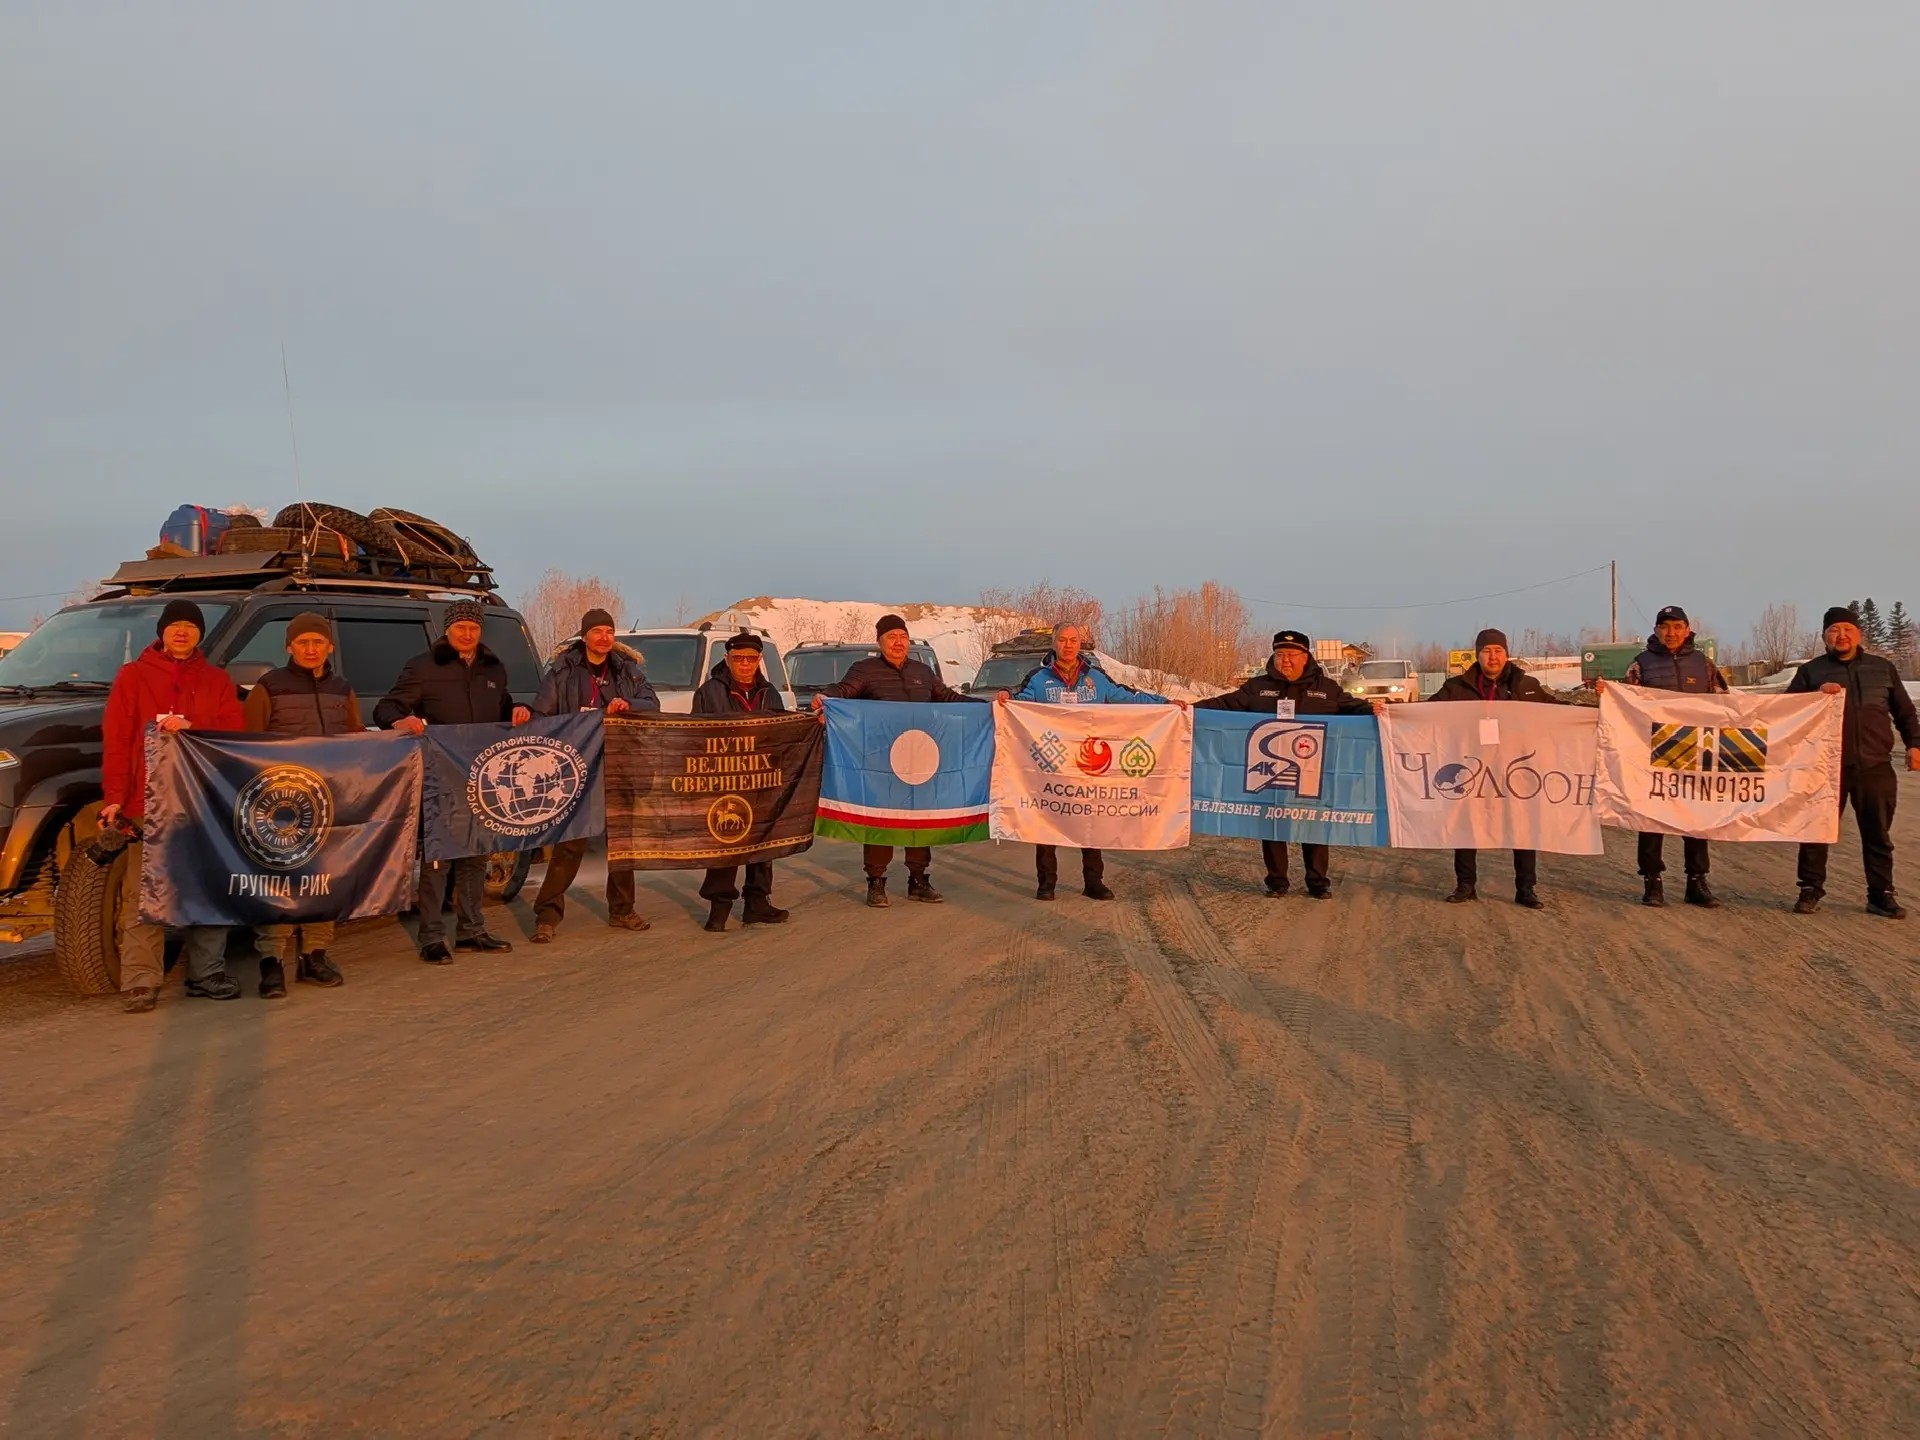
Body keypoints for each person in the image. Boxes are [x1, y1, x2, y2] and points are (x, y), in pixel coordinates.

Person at [100, 599, 246, 1013]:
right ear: (162, 631)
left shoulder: (217, 681)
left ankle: (206, 973)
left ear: (200, 634)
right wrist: (114, 799)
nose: (182, 632)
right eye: (175, 625)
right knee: (143, 894)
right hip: (146, 802)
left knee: (207, 888)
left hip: (203, 800)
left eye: (190, 626)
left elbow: (233, 732)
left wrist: (193, 728)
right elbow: (118, 741)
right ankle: (142, 980)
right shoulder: (132, 678)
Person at [374, 598, 530, 962]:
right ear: (448, 629)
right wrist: (400, 721)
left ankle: (471, 929)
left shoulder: (493, 668)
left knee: (476, 854)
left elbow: (502, 704)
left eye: (473, 628)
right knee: (438, 858)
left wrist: (521, 709)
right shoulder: (424, 667)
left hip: (483, 776)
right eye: (460, 627)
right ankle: (431, 936)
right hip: (439, 775)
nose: (467, 633)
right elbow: (387, 707)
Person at [1195, 629, 1381, 899]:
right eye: (1280, 654)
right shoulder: (1258, 687)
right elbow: (1224, 704)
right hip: (1271, 774)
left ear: (1306, 657)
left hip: (1313, 774)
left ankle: (1318, 883)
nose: (1285, 660)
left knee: (1315, 825)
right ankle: (1277, 882)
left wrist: (1371, 709)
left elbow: (1351, 707)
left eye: (1292, 654)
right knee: (1272, 826)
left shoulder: (1326, 689)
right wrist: (1189, 709)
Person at [996, 623, 1176, 901]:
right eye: (1063, 640)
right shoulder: (1039, 678)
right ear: (1054, 644)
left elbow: (1127, 697)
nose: (1068, 645)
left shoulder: (1096, 677)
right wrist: (1006, 696)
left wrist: (1166, 703)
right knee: (1045, 821)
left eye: (1073, 640)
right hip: (1052, 766)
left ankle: (1093, 882)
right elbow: (1018, 700)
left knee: (1091, 822)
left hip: (1090, 764)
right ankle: (1046, 884)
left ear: (1080, 645)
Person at [240, 613, 363, 995]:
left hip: (329, 800)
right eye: (302, 642)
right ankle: (271, 961)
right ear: (289, 647)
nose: (311, 649)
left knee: (324, 878)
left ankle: (315, 954)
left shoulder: (343, 689)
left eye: (317, 642)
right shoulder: (269, 687)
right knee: (280, 880)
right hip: (281, 804)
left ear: (329, 647)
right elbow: (249, 744)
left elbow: (358, 741)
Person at [811, 613, 972, 907]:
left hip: (920, 759)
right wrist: (826, 696)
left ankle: (919, 880)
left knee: (920, 820)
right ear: (880, 642)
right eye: (891, 637)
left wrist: (988, 709)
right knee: (880, 820)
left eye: (902, 637)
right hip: (881, 761)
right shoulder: (865, 670)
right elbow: (844, 691)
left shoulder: (922, 672)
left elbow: (948, 698)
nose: (898, 643)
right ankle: (876, 882)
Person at [527, 608, 660, 944]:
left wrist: (628, 704)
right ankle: (547, 915)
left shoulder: (627, 670)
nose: (604, 637)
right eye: (597, 631)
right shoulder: (562, 670)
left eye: (609, 631)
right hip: (575, 768)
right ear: (584, 635)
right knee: (570, 843)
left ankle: (622, 909)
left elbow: (651, 703)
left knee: (621, 843)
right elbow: (542, 713)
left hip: (618, 765)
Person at [1787, 605, 1920, 917]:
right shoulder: (1811, 672)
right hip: (1824, 767)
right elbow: (1787, 711)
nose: (1841, 635)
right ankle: (1810, 889)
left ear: (1859, 634)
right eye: (1834, 630)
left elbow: (1905, 712)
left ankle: (1880, 893)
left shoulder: (1882, 669)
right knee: (1817, 831)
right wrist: (1816, 696)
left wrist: (1915, 745)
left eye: (1847, 629)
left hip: (1874, 766)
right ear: (1824, 637)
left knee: (1877, 832)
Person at [1597, 605, 1730, 908]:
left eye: (1677, 627)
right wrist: (1607, 694)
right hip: (1652, 755)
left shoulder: (1704, 664)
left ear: (1687, 629)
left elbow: (1726, 706)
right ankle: (1652, 881)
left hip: (1696, 755)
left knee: (1695, 819)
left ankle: (1696, 882)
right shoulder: (1641, 664)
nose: (1671, 633)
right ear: (1656, 630)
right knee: (1651, 818)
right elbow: (1624, 703)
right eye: (1664, 627)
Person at [1429, 628, 1561, 909]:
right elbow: (1426, 713)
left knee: (1522, 827)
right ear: (1477, 655)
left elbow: (1560, 712)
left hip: (1514, 769)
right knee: (1466, 825)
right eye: (1487, 651)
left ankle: (1526, 888)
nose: (1493, 656)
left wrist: (1595, 710)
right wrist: (1391, 713)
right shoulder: (1457, 687)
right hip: (1471, 767)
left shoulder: (1527, 685)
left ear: (1506, 654)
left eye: (1498, 651)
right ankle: (1466, 884)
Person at [691, 632, 791, 931]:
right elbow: (695, 736)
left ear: (759, 660)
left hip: (761, 778)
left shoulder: (770, 692)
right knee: (725, 843)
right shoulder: (709, 692)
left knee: (763, 840)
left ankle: (757, 903)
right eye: (738, 658)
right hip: (725, 780)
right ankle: (719, 907)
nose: (745, 664)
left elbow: (780, 732)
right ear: (727, 659)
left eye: (751, 658)